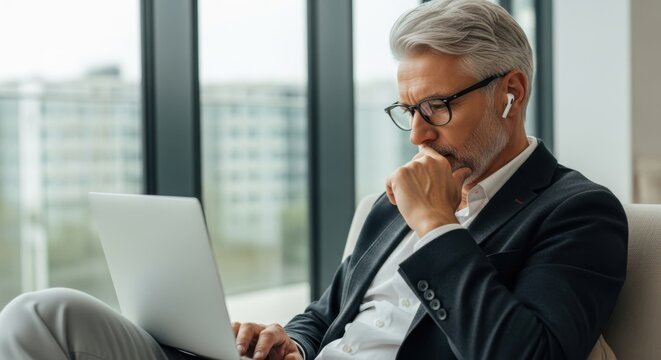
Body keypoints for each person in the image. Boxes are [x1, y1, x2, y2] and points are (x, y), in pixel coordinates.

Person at [0, 0, 626, 359]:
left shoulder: (576, 211)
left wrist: (436, 225)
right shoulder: (387, 205)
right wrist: (289, 344)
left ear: (510, 94)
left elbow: (527, 356)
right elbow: (327, 313)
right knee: (40, 314)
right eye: (409, 110)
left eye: (437, 107)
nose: (417, 134)